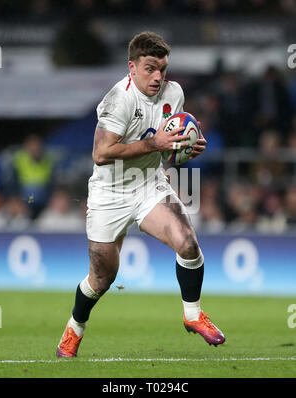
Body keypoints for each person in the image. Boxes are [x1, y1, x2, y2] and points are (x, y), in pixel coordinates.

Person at [56, 31, 225, 358]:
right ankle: (75, 327)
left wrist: (187, 148)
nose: (158, 77)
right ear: (131, 67)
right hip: (109, 194)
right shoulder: (119, 100)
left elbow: (168, 148)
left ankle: (193, 316)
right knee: (101, 279)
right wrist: (155, 145)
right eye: (150, 69)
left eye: (162, 68)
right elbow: (101, 154)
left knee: (188, 244)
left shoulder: (173, 93)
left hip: (149, 184)